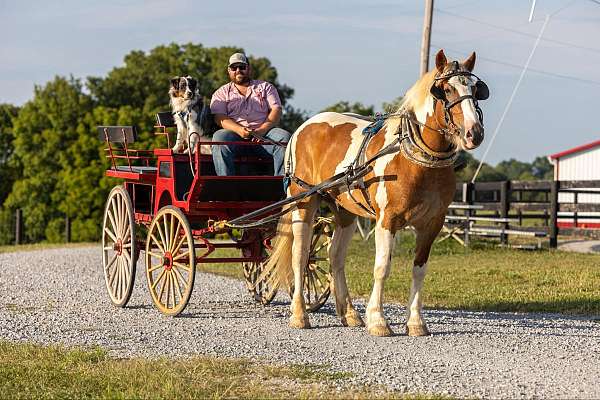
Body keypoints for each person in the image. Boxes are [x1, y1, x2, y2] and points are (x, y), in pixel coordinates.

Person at [210, 53, 291, 176]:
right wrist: (239, 129)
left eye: (242, 67)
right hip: (235, 136)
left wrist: (262, 130)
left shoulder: (265, 87)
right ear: (228, 70)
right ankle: (226, 186)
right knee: (219, 138)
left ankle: (281, 187)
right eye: (234, 68)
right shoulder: (221, 93)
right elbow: (219, 117)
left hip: (264, 136)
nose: (238, 70)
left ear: (249, 68)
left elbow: (276, 110)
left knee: (284, 138)